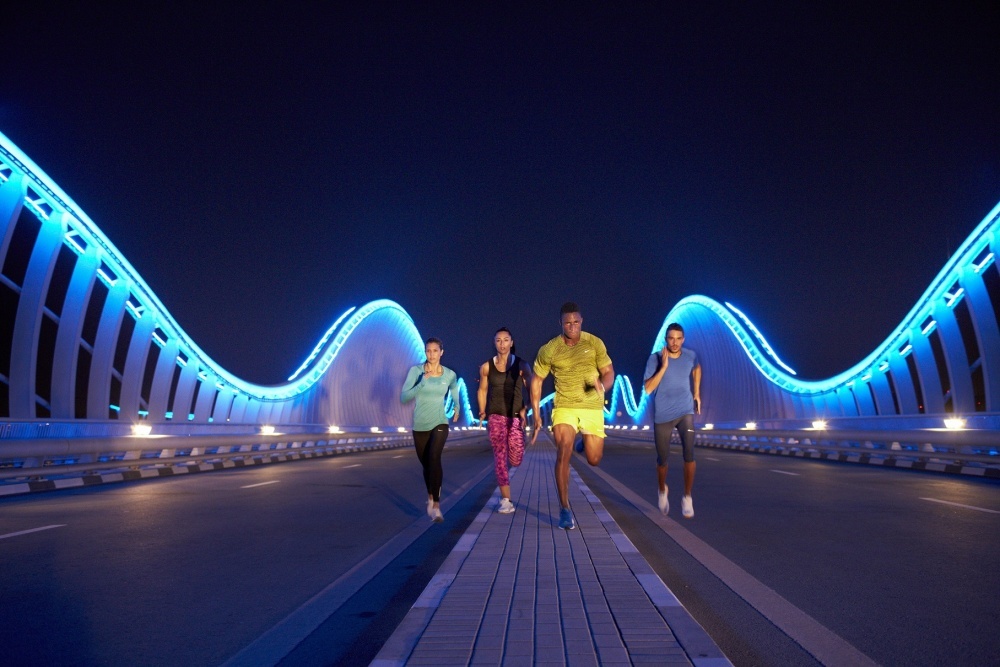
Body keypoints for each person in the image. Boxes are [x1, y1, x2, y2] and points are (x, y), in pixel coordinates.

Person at [530, 302, 614, 530]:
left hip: (591, 407)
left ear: (581, 321)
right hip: (565, 406)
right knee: (563, 451)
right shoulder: (549, 349)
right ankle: (565, 509)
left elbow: (608, 372)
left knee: (594, 459)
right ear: (561, 323)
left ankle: (583, 443)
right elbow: (537, 381)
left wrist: (602, 385)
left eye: (576, 322)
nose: (573, 326)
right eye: (568, 323)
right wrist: (536, 414)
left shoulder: (594, 343)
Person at [643, 322, 702, 518]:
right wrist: (664, 367)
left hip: (685, 411)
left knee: (689, 454)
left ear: (683, 340)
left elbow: (697, 368)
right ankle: (662, 490)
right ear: (665, 340)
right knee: (662, 460)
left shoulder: (690, 356)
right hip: (663, 416)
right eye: (671, 338)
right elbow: (648, 389)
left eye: (678, 339)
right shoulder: (655, 359)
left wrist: (697, 393)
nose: (674, 342)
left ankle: (687, 497)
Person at [400, 337, 461, 522]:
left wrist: (457, 406)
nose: (431, 354)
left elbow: (454, 390)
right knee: (427, 464)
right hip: (420, 425)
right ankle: (430, 496)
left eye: (435, 351)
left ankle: (436, 506)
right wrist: (421, 383)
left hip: (440, 422)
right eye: (428, 351)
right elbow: (404, 397)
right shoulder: (416, 371)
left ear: (441, 352)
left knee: (434, 457)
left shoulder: (449, 374)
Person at [477, 327, 532, 514]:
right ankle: (506, 500)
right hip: (495, 416)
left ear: (511, 342)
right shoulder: (486, 367)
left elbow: (533, 390)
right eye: (498, 340)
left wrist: (527, 408)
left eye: (506, 340)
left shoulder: (522, 365)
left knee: (516, 459)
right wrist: (482, 410)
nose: (502, 344)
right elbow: (482, 390)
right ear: (494, 343)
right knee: (500, 457)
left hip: (515, 416)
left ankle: (514, 457)